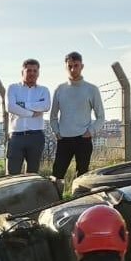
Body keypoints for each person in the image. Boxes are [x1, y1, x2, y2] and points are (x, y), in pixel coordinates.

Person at [49, 52, 106, 185]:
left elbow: (101, 117)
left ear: (82, 66)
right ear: (66, 67)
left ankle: (80, 197)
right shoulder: (59, 89)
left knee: (83, 177)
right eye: (70, 66)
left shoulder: (91, 89)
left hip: (83, 139)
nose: (73, 69)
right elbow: (53, 116)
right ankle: (56, 197)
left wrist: (90, 131)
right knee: (56, 175)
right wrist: (56, 132)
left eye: (76, 65)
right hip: (64, 139)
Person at [5, 59, 50, 175]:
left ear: (38, 73)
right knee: (12, 173)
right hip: (16, 136)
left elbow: (45, 106)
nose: (32, 73)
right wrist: (32, 113)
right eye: (29, 70)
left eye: (35, 71)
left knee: (32, 174)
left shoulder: (43, 90)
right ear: (22, 72)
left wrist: (22, 104)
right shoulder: (13, 88)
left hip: (36, 136)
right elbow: (10, 107)